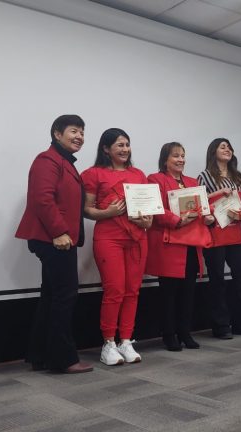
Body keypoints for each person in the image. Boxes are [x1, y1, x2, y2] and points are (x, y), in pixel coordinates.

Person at [15, 114, 93, 374]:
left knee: (51, 297)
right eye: (73, 130)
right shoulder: (47, 160)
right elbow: (42, 199)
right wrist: (59, 232)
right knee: (64, 297)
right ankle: (63, 359)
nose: (79, 136)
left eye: (82, 131)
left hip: (57, 239)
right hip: (54, 239)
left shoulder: (63, 162)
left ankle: (40, 355)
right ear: (57, 134)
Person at [81, 128, 152, 366]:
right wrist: (107, 212)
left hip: (137, 238)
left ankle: (126, 341)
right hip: (108, 238)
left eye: (127, 145)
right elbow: (86, 210)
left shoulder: (139, 174)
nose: (124, 149)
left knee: (133, 290)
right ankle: (108, 344)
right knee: (115, 291)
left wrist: (147, 220)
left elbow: (148, 210)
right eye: (119, 145)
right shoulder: (93, 173)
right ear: (106, 148)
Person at [146, 142, 215, 351]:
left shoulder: (193, 181)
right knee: (169, 293)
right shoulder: (155, 179)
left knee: (188, 292)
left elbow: (203, 206)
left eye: (183, 155)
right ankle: (169, 334)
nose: (181, 159)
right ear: (165, 159)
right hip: (170, 244)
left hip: (191, 244)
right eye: (176, 155)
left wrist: (210, 214)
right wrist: (177, 220)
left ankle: (185, 333)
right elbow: (156, 209)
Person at [197, 138, 241, 339]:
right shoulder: (204, 176)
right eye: (222, 147)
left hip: (235, 233)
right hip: (215, 233)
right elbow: (199, 203)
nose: (227, 150)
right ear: (213, 151)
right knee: (217, 280)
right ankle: (221, 326)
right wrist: (219, 193)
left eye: (229, 147)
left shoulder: (237, 176)